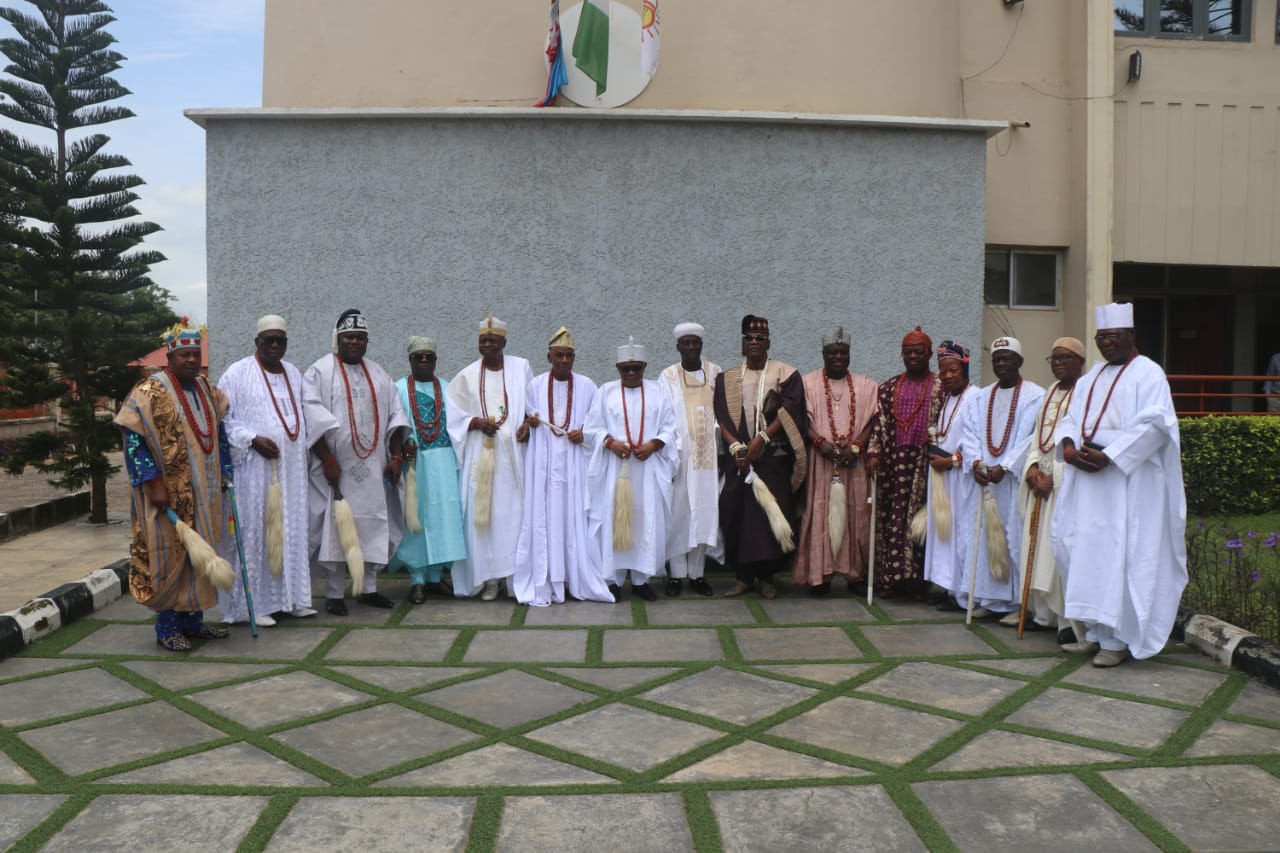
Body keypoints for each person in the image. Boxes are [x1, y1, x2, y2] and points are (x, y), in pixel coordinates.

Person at [1053, 303, 1188, 667]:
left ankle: (1119, 640)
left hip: (1126, 484)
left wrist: (1110, 455)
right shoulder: (1090, 378)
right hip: (1087, 482)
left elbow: (1157, 427)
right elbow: (1070, 419)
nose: (1107, 343)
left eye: (1113, 336)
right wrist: (1068, 449)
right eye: (1101, 337)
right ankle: (1095, 633)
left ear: (1131, 335)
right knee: (1081, 552)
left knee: (1120, 556)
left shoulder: (1149, 373)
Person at [116, 322, 233, 651]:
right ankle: (166, 628)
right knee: (168, 557)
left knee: (202, 555)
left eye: (196, 354)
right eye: (185, 355)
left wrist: (225, 471)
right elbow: (134, 443)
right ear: (171, 357)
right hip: (165, 495)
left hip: (205, 494)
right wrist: (153, 483)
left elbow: (220, 435)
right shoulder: (148, 392)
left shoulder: (208, 390)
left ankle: (193, 623)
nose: (193, 360)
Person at [303, 309, 411, 616]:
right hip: (337, 467)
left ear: (367, 341)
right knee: (339, 525)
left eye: (360, 338)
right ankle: (335, 593)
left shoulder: (379, 373)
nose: (354, 342)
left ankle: (369, 589)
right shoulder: (320, 372)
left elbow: (395, 415)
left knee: (373, 521)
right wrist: (326, 460)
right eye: (349, 337)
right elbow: (312, 417)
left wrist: (396, 456)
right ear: (337, 338)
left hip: (374, 467)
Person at [216, 315, 316, 626]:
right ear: (257, 342)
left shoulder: (294, 374)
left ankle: (292, 599)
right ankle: (251, 607)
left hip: (291, 472)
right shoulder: (237, 373)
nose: (275, 345)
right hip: (254, 472)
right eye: (268, 340)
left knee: (291, 529)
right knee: (255, 532)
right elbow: (222, 420)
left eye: (280, 340)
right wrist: (251, 439)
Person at [513, 327, 614, 605]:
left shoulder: (587, 386)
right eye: (559, 355)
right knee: (545, 520)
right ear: (549, 357)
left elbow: (597, 425)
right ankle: (549, 581)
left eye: (569, 356)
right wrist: (529, 424)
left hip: (574, 466)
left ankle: (575, 578)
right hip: (543, 467)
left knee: (574, 519)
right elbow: (524, 421)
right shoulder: (534, 386)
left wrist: (584, 433)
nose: (564, 361)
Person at [715, 315, 807, 600]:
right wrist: (736, 448)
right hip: (739, 459)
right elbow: (721, 415)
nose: (755, 342)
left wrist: (762, 439)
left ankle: (768, 578)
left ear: (768, 343)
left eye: (761, 339)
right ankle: (743, 577)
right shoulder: (727, 377)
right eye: (749, 338)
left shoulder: (786, 373)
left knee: (772, 516)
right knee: (737, 513)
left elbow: (791, 409)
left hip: (772, 458)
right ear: (742, 344)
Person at [445, 316, 534, 600]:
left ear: (504, 343)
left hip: (512, 461)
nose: (487, 344)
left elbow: (533, 407)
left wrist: (527, 425)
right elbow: (454, 414)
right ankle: (490, 579)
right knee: (484, 519)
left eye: (492, 340)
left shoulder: (520, 368)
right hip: (481, 458)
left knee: (513, 517)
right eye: (483, 340)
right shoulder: (467, 375)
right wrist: (474, 422)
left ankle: (514, 579)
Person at [956, 337, 1045, 617]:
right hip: (984, 480)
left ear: (1019, 361)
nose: (1002, 364)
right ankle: (989, 600)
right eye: (997, 359)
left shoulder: (1035, 396)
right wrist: (978, 463)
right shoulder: (981, 397)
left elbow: (1032, 438)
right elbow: (969, 434)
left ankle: (1018, 604)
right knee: (982, 538)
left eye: (1007, 358)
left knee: (1014, 538)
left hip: (1013, 482)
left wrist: (1005, 466)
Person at [584, 340, 678, 602]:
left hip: (647, 469)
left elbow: (671, 427)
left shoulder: (659, 391)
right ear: (617, 368)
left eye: (636, 368)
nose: (631, 374)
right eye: (626, 369)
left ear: (645, 366)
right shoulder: (605, 392)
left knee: (645, 521)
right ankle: (613, 581)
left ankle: (641, 581)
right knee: (613, 519)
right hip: (615, 469)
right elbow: (591, 428)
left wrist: (655, 444)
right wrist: (609, 442)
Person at [793, 326, 879, 595]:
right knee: (819, 514)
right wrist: (821, 444)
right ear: (823, 354)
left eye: (843, 352)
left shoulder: (866, 385)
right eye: (833, 352)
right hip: (822, 463)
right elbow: (801, 421)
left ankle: (854, 575)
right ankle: (822, 576)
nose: (838, 357)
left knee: (855, 515)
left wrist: (856, 446)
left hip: (853, 464)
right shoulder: (807, 384)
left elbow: (873, 420)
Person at [1012, 337, 1086, 632]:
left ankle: (1065, 621)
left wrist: (1053, 478)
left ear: (1080, 361)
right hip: (1039, 482)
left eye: (1065, 358)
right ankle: (1041, 615)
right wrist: (1031, 468)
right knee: (1035, 545)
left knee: (1057, 552)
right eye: (1053, 358)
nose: (1058, 363)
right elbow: (1037, 438)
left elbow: (1080, 442)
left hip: (1064, 484)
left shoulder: (1085, 394)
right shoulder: (1051, 391)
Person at [866, 327, 946, 598]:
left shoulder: (941, 387)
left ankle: (918, 583)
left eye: (918, 352)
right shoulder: (887, 388)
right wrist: (874, 454)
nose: (913, 357)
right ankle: (891, 580)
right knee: (892, 520)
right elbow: (880, 424)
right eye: (908, 352)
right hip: (893, 462)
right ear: (902, 355)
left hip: (926, 464)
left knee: (921, 521)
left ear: (929, 354)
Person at [388, 336, 467, 604]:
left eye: (428, 357)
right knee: (416, 517)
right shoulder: (398, 388)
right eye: (418, 356)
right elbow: (393, 426)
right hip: (416, 464)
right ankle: (417, 579)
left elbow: (459, 425)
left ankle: (435, 576)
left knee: (444, 516)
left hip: (444, 462)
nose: (423, 361)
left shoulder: (448, 388)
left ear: (435, 361)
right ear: (410, 360)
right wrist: (401, 448)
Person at [659, 322, 723, 597]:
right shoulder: (668, 375)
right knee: (678, 514)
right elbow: (664, 415)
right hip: (680, 459)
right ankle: (676, 575)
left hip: (709, 461)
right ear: (678, 347)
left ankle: (697, 575)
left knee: (706, 512)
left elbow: (723, 411)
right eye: (686, 343)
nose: (691, 348)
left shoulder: (715, 373)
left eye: (695, 343)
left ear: (701, 345)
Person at [923, 341, 978, 611]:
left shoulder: (975, 397)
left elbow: (976, 442)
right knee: (944, 533)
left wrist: (953, 461)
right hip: (944, 477)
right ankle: (947, 587)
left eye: (953, 370)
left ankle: (963, 593)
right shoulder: (948, 398)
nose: (947, 376)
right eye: (943, 371)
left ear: (965, 368)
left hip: (961, 479)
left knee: (961, 533)